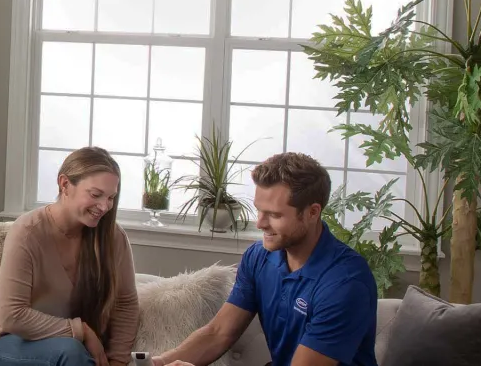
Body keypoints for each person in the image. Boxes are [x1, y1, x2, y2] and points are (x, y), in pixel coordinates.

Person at [152, 153, 378, 366]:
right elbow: (219, 332)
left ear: (312, 212)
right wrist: (161, 362)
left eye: (275, 215)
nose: (260, 224)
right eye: (259, 210)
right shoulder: (259, 257)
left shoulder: (345, 283)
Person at [0, 147, 140, 366]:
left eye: (110, 198)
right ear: (64, 185)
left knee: (74, 352)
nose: (104, 206)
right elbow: (12, 315)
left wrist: (118, 360)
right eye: (95, 194)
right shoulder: (27, 231)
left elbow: (125, 303)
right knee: (70, 351)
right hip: (9, 344)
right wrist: (81, 331)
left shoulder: (113, 238)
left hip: (75, 351)